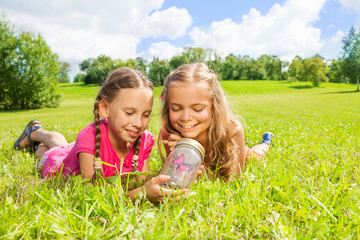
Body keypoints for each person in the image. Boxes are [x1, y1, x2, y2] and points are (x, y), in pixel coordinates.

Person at [13, 67, 187, 203]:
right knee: (49, 152)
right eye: (129, 112)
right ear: (105, 109)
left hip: (76, 151)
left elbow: (142, 181)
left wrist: (179, 172)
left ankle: (40, 137)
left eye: (146, 114)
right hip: (61, 164)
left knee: (63, 145)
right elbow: (91, 193)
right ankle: (36, 132)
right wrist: (140, 195)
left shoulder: (144, 139)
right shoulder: (89, 136)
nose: (139, 123)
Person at [158, 63, 274, 180]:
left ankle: (266, 143)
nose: (186, 117)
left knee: (254, 156)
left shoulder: (232, 129)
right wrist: (184, 151)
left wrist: (191, 158)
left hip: (239, 151)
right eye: (176, 108)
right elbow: (180, 177)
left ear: (214, 107)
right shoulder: (170, 132)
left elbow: (233, 181)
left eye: (197, 109)